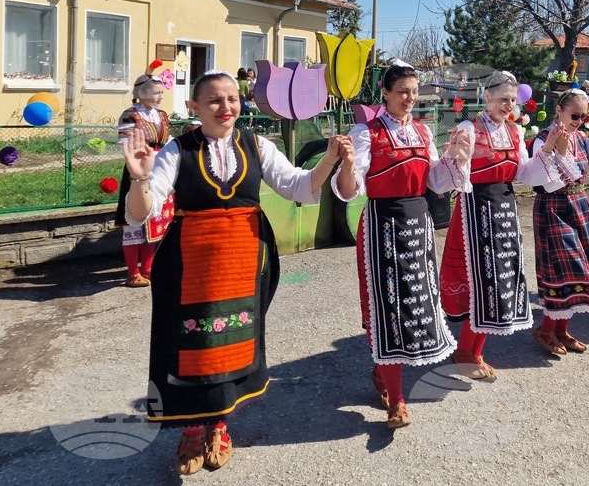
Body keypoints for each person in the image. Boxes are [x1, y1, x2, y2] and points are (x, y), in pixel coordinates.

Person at [121, 70, 344, 475]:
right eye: (214, 101)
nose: (226, 108)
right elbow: (142, 213)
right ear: (194, 107)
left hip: (245, 260)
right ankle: (190, 429)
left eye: (232, 99)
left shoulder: (257, 145)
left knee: (233, 342)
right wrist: (139, 178)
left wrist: (329, 158)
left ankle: (219, 426)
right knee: (189, 347)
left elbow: (297, 187)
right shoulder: (177, 150)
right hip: (190, 263)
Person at [333, 62, 472, 429]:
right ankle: (397, 399)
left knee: (416, 305)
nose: (409, 98)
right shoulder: (367, 133)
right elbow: (350, 192)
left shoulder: (424, 131)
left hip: (419, 223)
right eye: (402, 92)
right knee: (387, 308)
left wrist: (454, 156)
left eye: (413, 91)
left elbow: (437, 184)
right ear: (385, 93)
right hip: (382, 224)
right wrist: (347, 164)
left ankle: (385, 376)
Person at [438, 70, 549, 380]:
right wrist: (458, 157)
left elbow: (525, 173)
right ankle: (466, 352)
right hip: (474, 209)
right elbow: (456, 174)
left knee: (499, 282)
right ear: (487, 97)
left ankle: (475, 350)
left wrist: (550, 151)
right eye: (503, 99)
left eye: (512, 100)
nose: (508, 105)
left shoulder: (514, 133)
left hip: (504, 209)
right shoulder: (468, 129)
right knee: (478, 282)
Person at [530, 89, 589, 355]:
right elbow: (548, 182)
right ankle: (546, 328)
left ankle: (561, 330)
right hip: (554, 207)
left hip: (579, 205)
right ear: (559, 110)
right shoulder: (542, 140)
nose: (578, 121)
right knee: (566, 269)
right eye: (574, 115)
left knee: (585, 271)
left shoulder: (580, 138)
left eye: (583, 116)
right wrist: (558, 151)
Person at [114, 74, 174, 287]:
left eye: (161, 93)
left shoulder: (163, 115)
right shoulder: (130, 115)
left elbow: (168, 140)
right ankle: (133, 272)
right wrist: (142, 160)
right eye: (157, 92)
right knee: (134, 221)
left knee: (153, 219)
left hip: (160, 169)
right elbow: (124, 142)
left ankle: (148, 267)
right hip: (137, 168)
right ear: (142, 93)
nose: (160, 97)